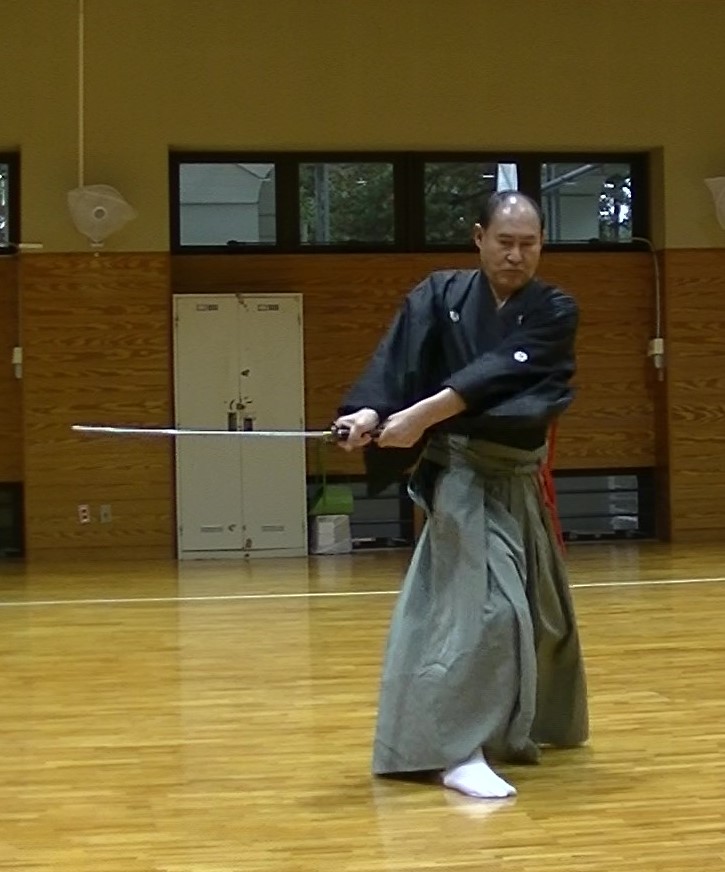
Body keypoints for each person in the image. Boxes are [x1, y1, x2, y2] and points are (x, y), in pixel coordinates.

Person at [334, 190, 589, 800]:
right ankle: (456, 749)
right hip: (462, 477)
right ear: (478, 238)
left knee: (540, 613)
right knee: (486, 609)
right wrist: (368, 412)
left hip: (517, 478)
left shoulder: (554, 309)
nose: (516, 255)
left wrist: (418, 416)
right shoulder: (438, 295)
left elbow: (502, 373)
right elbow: (397, 364)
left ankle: (517, 723)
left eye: (529, 244)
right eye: (505, 242)